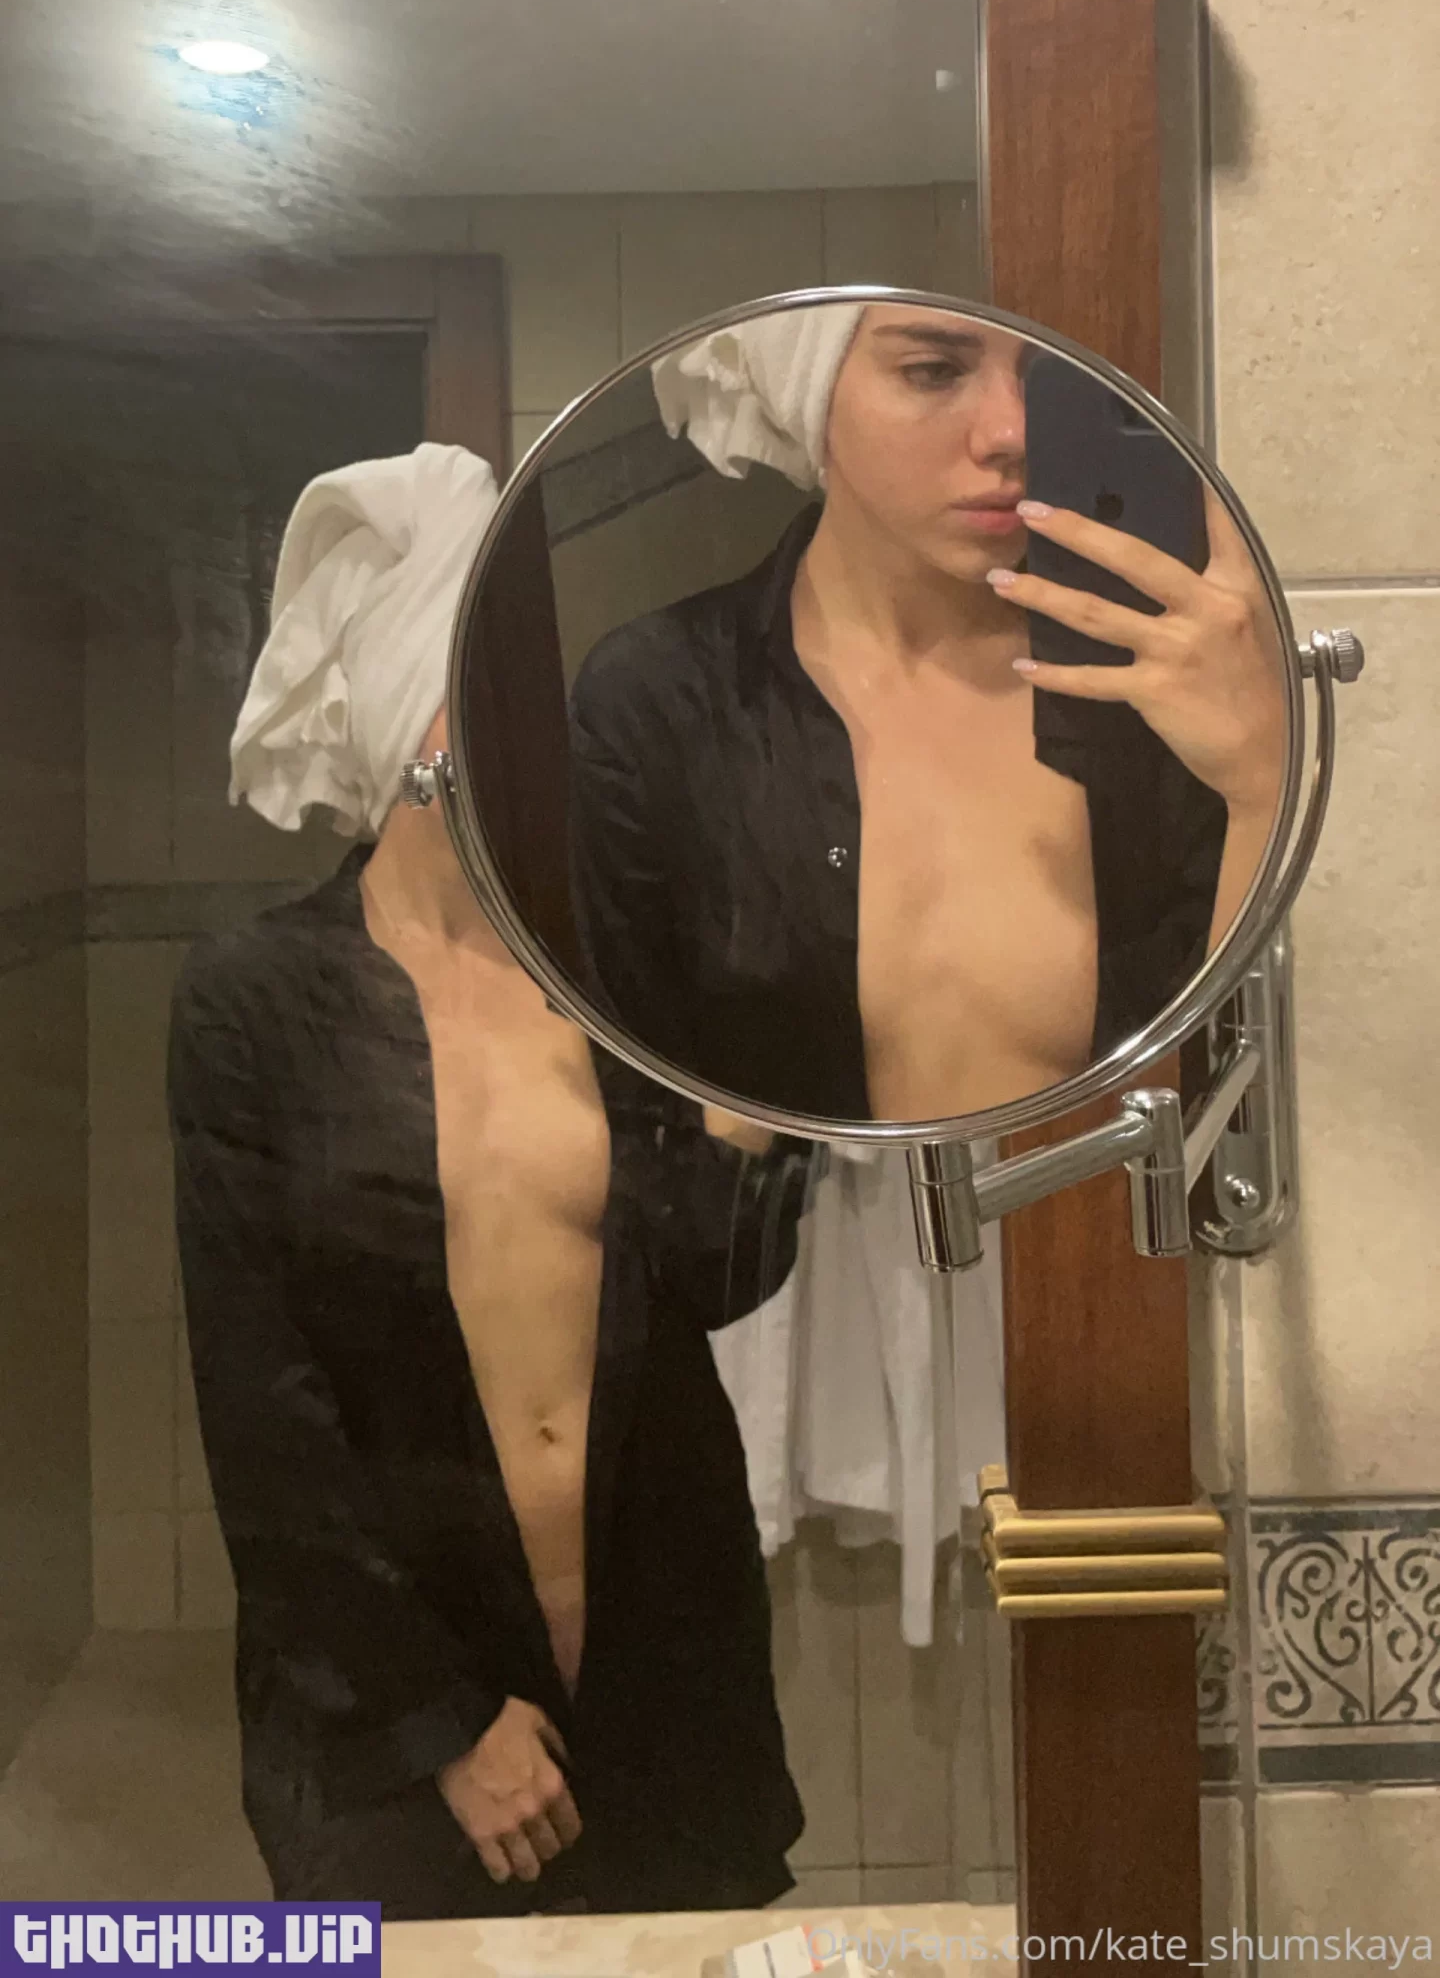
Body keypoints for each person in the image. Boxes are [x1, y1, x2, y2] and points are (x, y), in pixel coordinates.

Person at [169, 444, 808, 1920]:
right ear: (410, 703)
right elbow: (263, 1416)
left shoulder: (615, 976)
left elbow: (716, 1274)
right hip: (394, 1714)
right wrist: (435, 1723)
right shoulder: (256, 1002)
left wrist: (760, 1074)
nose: (540, 714)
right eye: (492, 677)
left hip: (661, 1677)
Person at [567, 302, 1287, 1130]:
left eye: (1046, 379)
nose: (1011, 433)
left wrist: (1260, 790)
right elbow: (639, 1103)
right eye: (933, 372)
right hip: (790, 1220)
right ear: (811, 394)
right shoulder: (660, 699)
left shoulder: (1152, 679)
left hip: (1099, 1214)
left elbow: (1220, 1098)